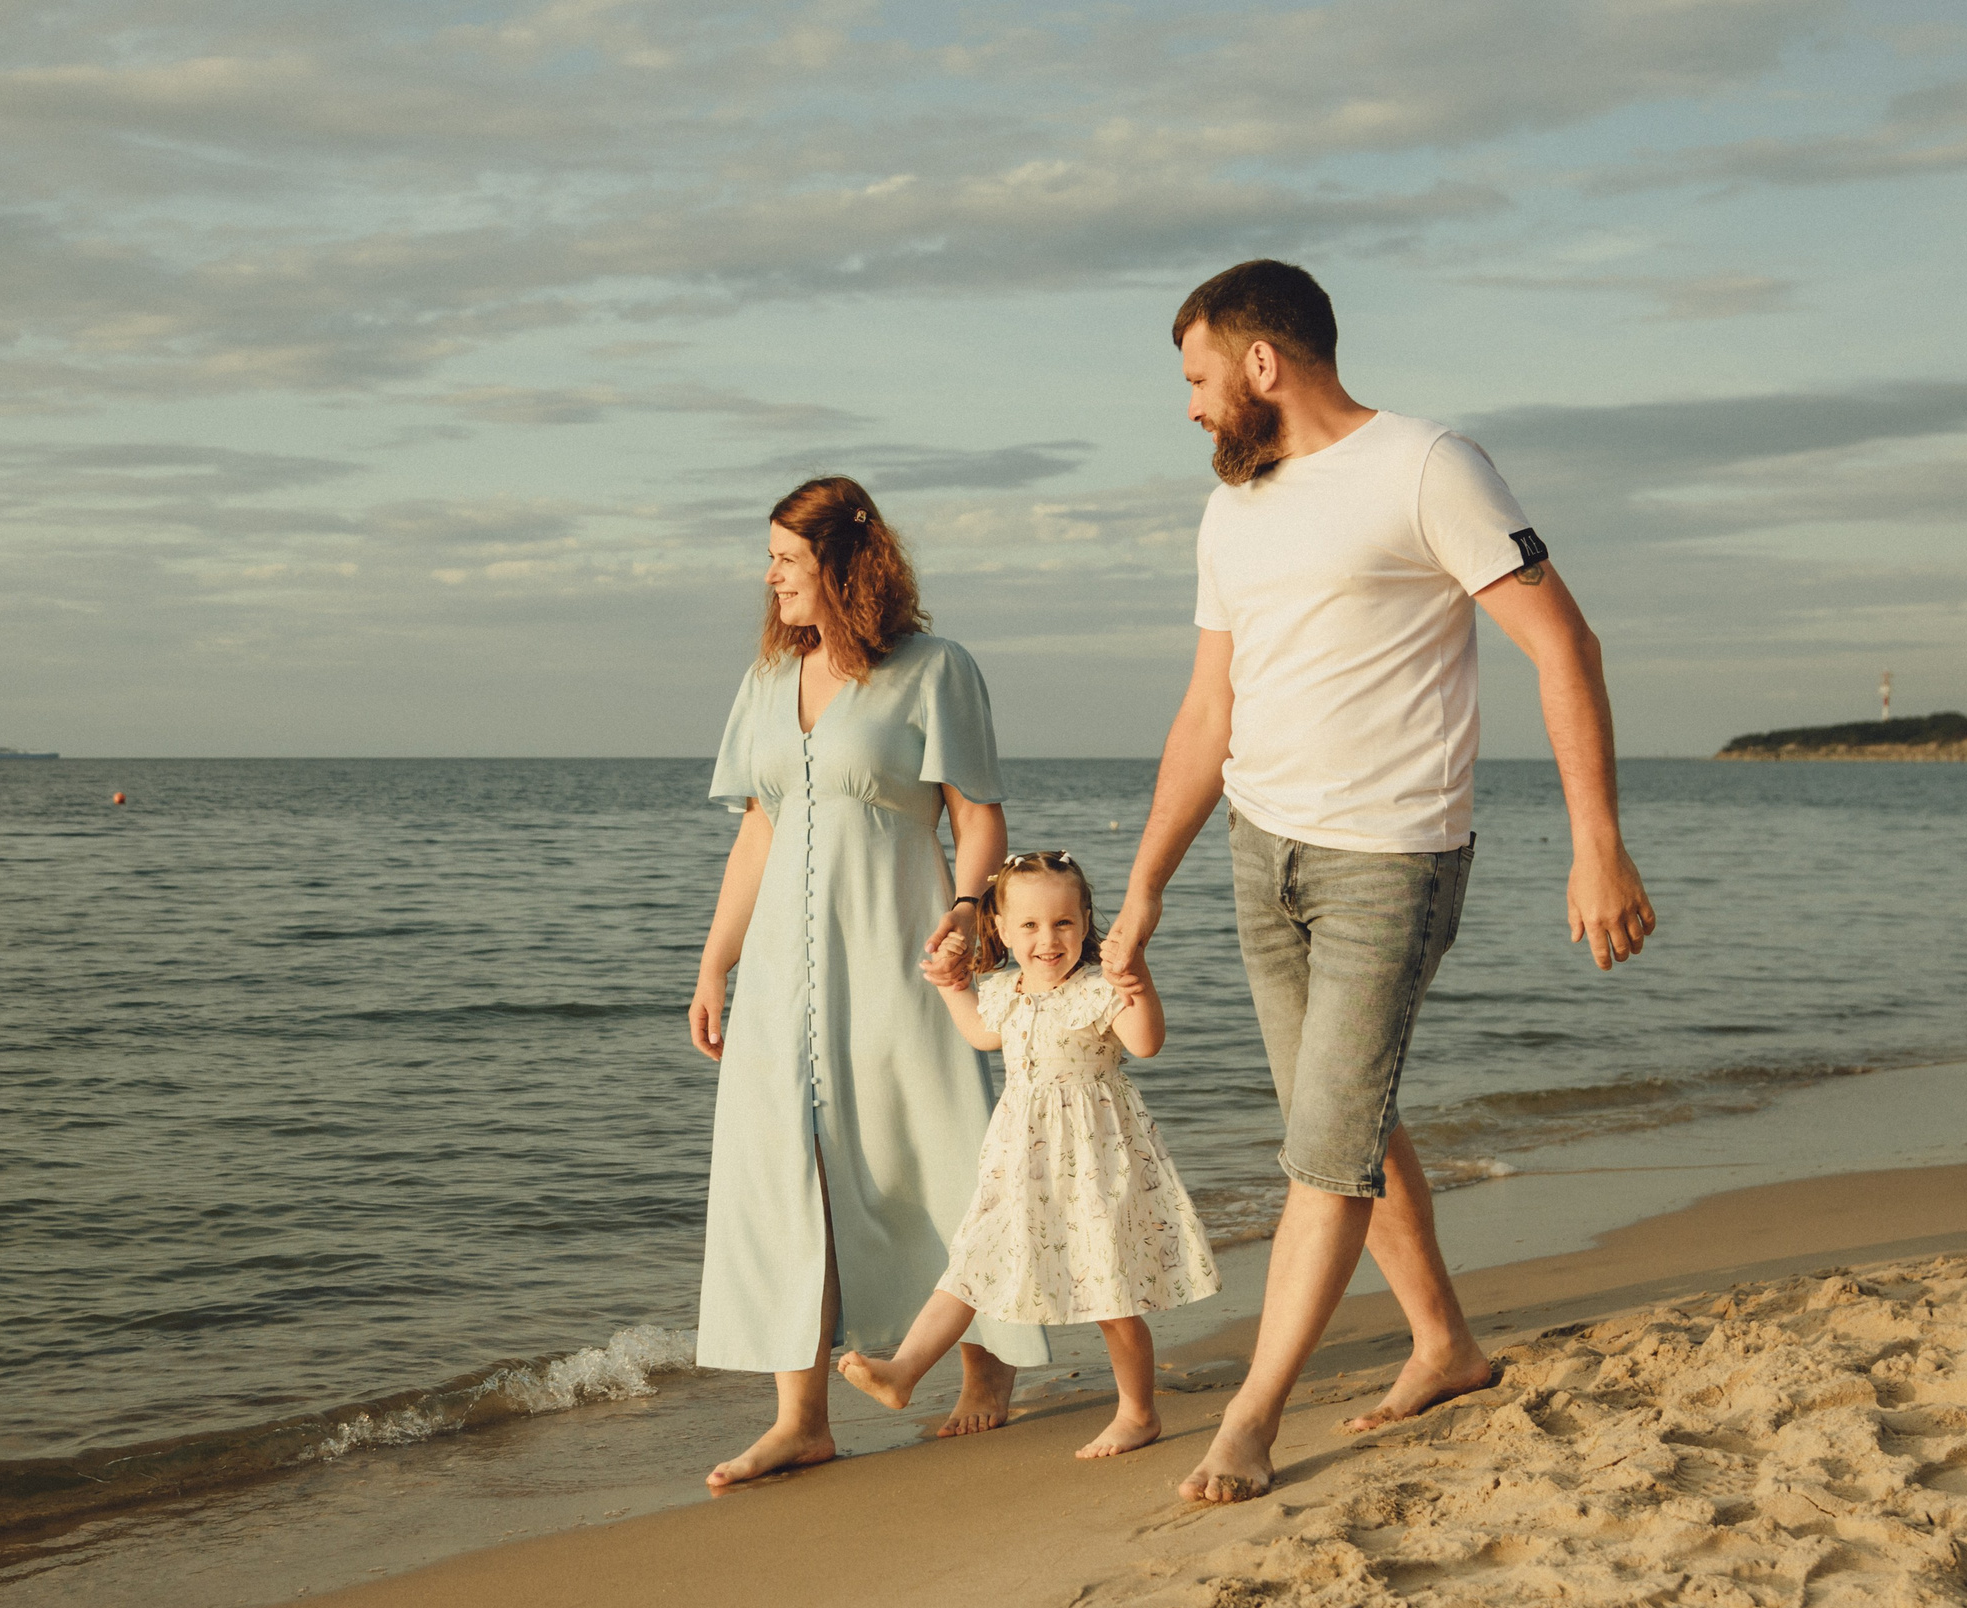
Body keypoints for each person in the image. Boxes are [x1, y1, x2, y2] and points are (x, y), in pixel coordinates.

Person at [1098, 259, 1658, 1505]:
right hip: (1262, 850)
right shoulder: (1231, 511)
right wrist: (1142, 894)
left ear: (1259, 363)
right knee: (1333, 1118)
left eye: (1195, 378)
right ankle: (1444, 1343)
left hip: (1390, 859)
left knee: (1325, 1146)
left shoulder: (1426, 464)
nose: (1187, 407)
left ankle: (1250, 1414)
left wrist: (1597, 842)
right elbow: (1206, 712)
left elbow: (1561, 638)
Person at [689, 476, 1050, 1489]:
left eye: (788, 562)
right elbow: (760, 828)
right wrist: (716, 962)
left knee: (936, 1147)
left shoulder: (936, 670)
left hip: (900, 952)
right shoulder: (768, 679)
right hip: (780, 978)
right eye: (770, 561)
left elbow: (976, 813)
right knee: (782, 1171)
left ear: (845, 565)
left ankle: (988, 1365)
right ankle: (800, 1418)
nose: (771, 581)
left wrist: (968, 918)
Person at [837, 851, 1220, 1459]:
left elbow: (1146, 1044)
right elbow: (981, 1035)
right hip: (1020, 1161)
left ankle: (1138, 1413)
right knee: (971, 1263)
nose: (1048, 939)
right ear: (1003, 930)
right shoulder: (1003, 992)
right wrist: (953, 987)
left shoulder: (1098, 988)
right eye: (1031, 926)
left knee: (1109, 1289)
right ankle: (904, 1371)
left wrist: (1135, 973)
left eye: (1064, 923)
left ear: (1087, 920)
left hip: (1096, 1161)